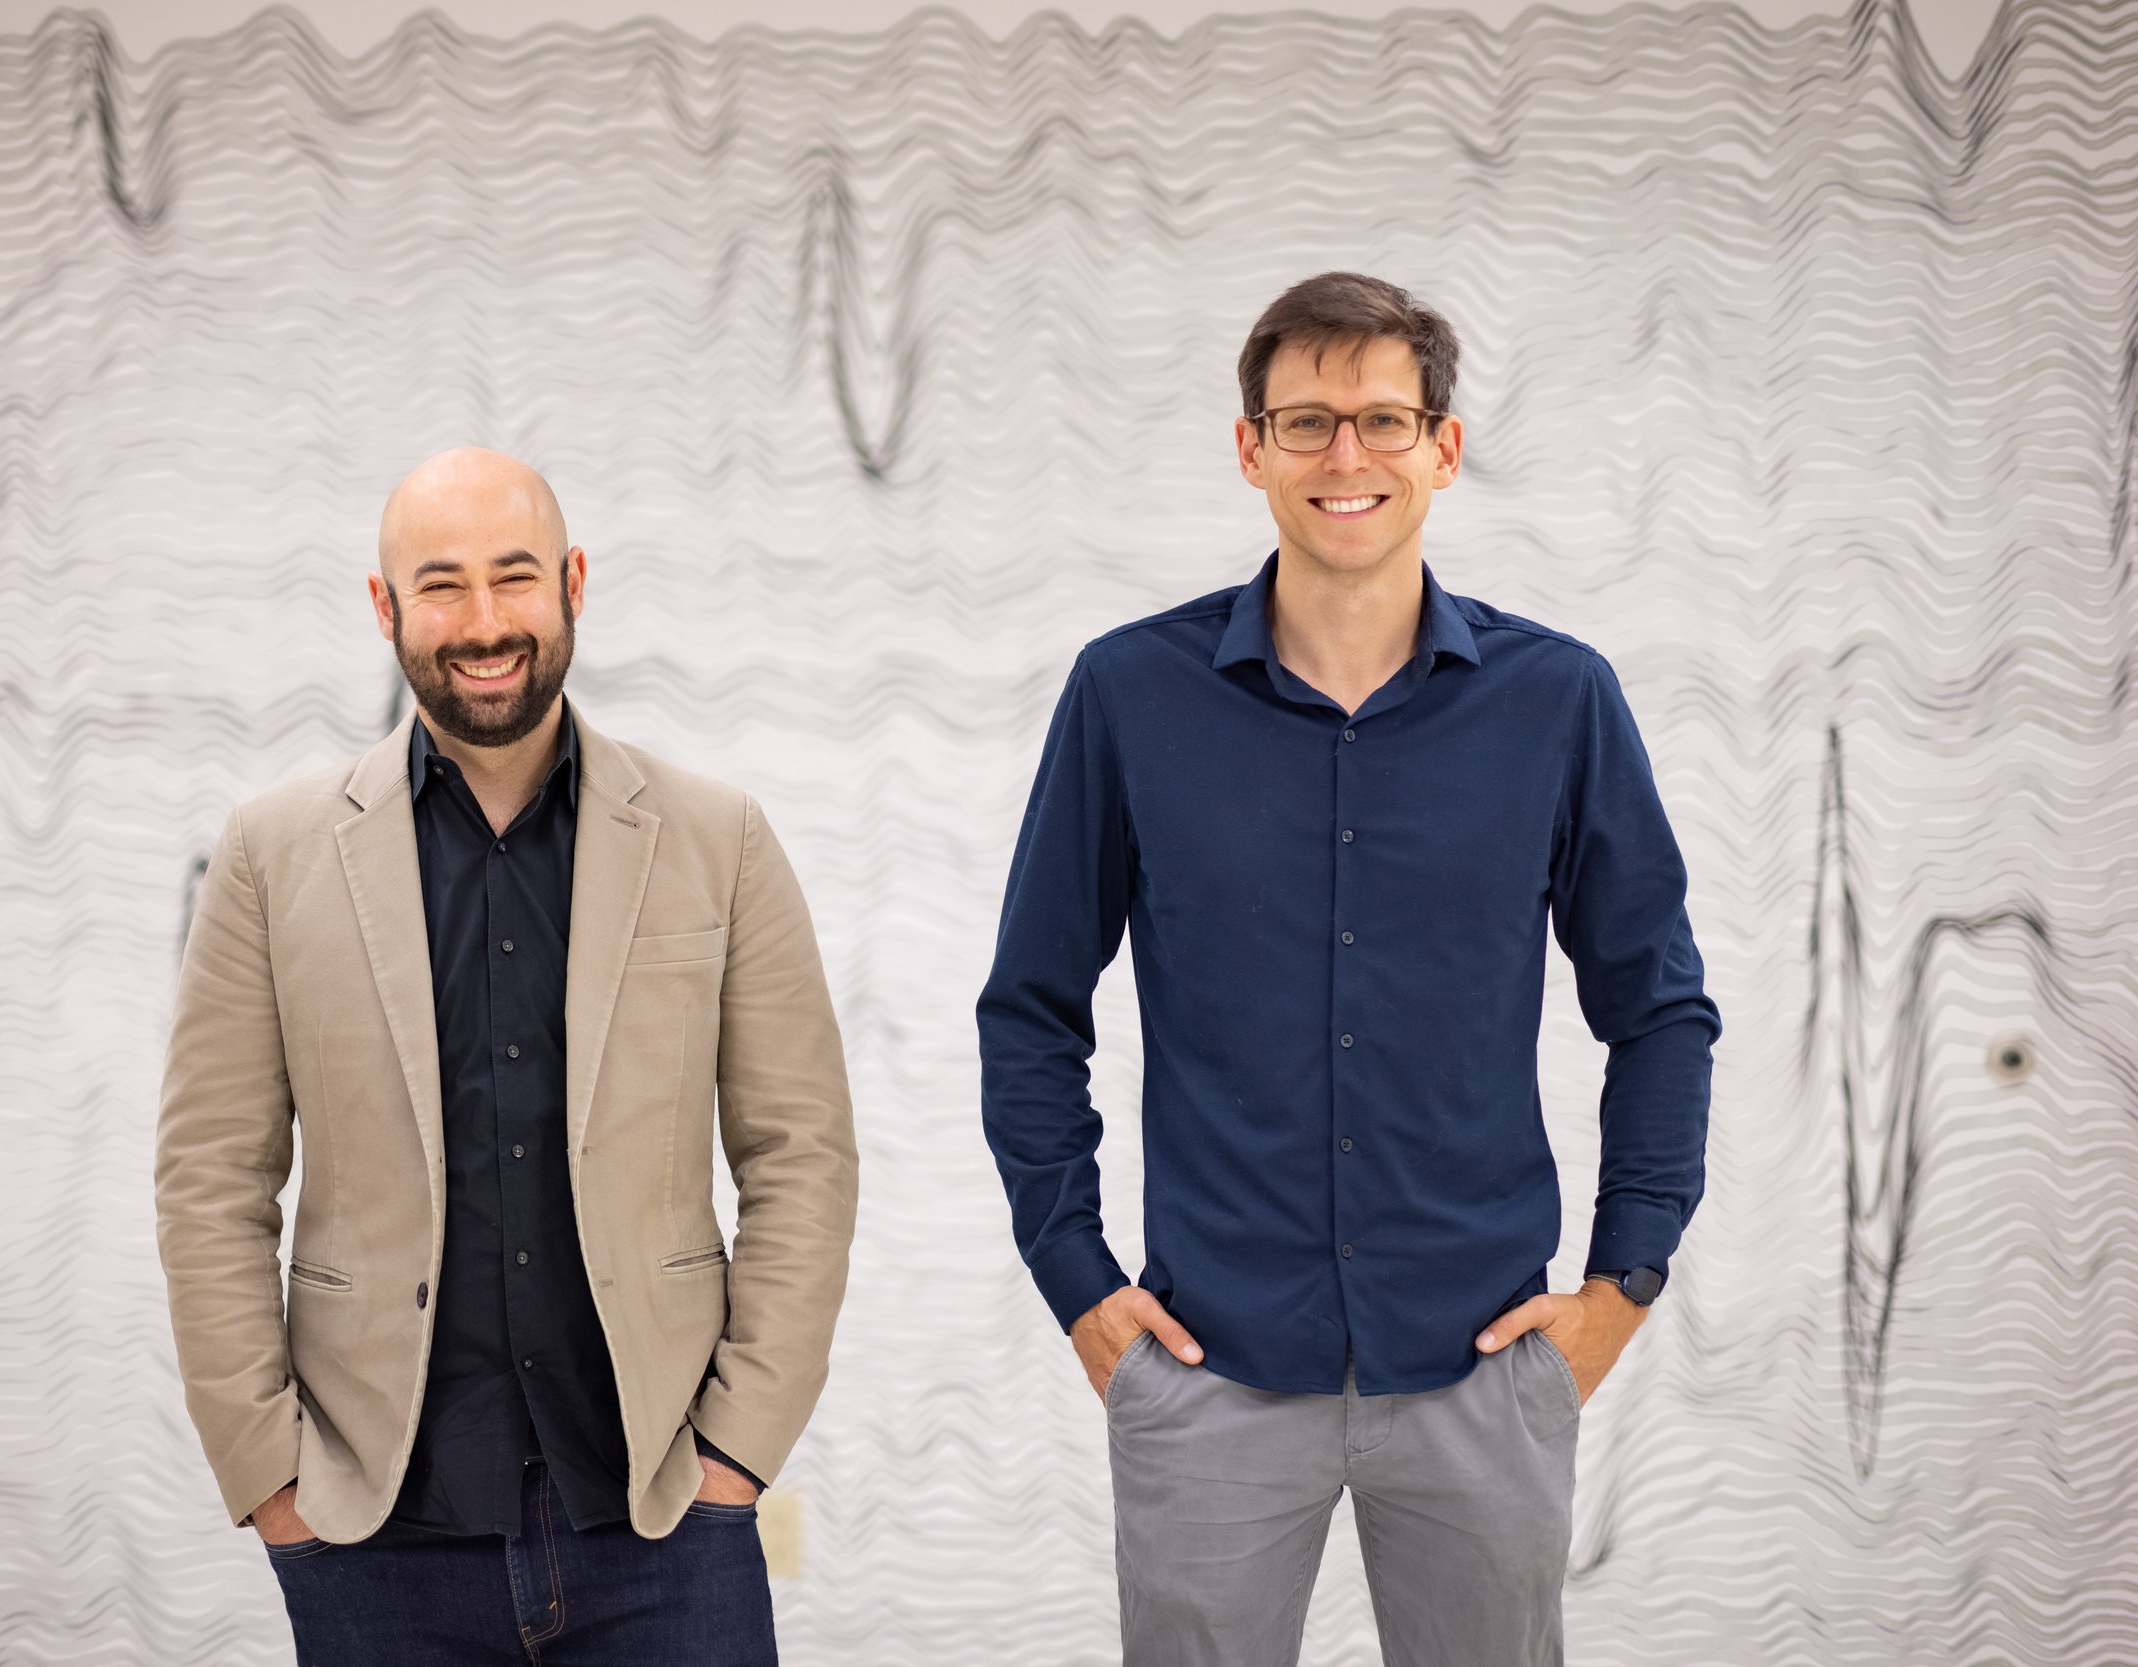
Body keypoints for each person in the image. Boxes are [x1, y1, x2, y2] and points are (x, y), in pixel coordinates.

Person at [977, 273, 1720, 1667]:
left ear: (1444, 445)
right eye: (1307, 421)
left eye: (1384, 419)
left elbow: (1662, 1006)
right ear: (1248, 446)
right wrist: (1077, 1279)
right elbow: (1030, 1007)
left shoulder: (1558, 700)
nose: (1346, 458)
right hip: (1209, 1366)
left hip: (1485, 1369)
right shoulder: (1128, 696)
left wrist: (1622, 1287)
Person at [156, 447, 858, 1666]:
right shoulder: (270, 854)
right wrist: (272, 1473)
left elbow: (802, 1155)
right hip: (376, 1541)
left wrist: (736, 1456)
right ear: (383, 608)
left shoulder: (716, 837)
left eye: (513, 577)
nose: (483, 623)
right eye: (440, 586)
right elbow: (209, 1175)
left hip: (664, 1525)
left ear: (573, 581)